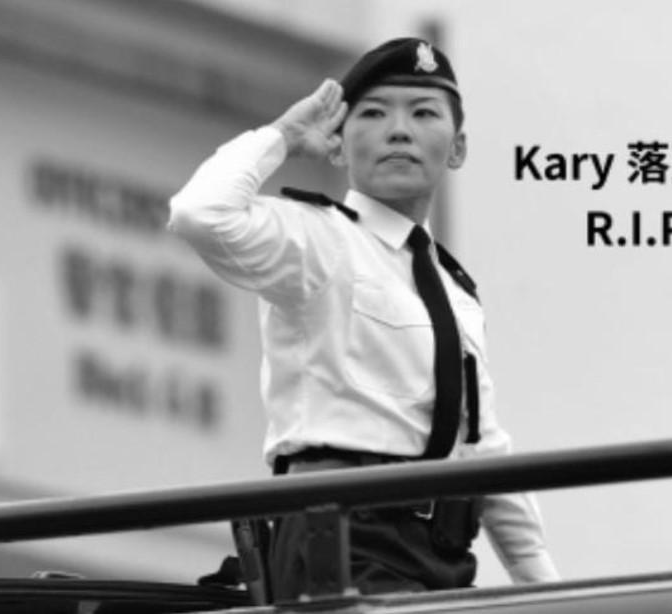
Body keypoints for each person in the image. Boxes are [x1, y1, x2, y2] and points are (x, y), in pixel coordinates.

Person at [169, 37, 559, 600]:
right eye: (373, 114)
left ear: (457, 148)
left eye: (423, 113)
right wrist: (283, 136)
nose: (399, 131)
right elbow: (199, 214)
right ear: (337, 147)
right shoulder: (316, 240)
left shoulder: (455, 291)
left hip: (442, 551)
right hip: (343, 532)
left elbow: (483, 447)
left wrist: (546, 589)